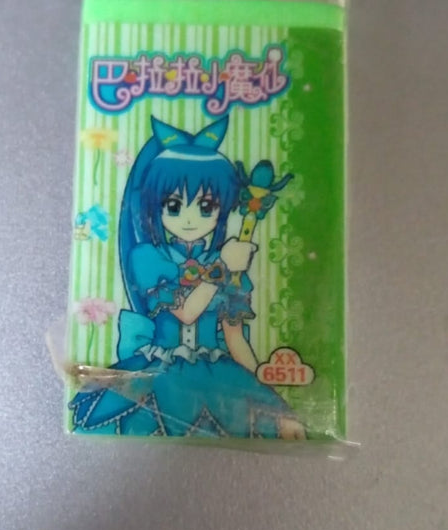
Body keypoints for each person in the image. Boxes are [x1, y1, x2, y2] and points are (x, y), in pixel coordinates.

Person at [69, 115, 304, 439]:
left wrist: (273, 402)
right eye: (174, 205)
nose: (190, 218)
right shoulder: (149, 258)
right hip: (158, 372)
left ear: (222, 209)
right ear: (156, 207)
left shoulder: (225, 262)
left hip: (217, 373)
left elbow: (235, 339)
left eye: (206, 206)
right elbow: (186, 312)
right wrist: (222, 267)